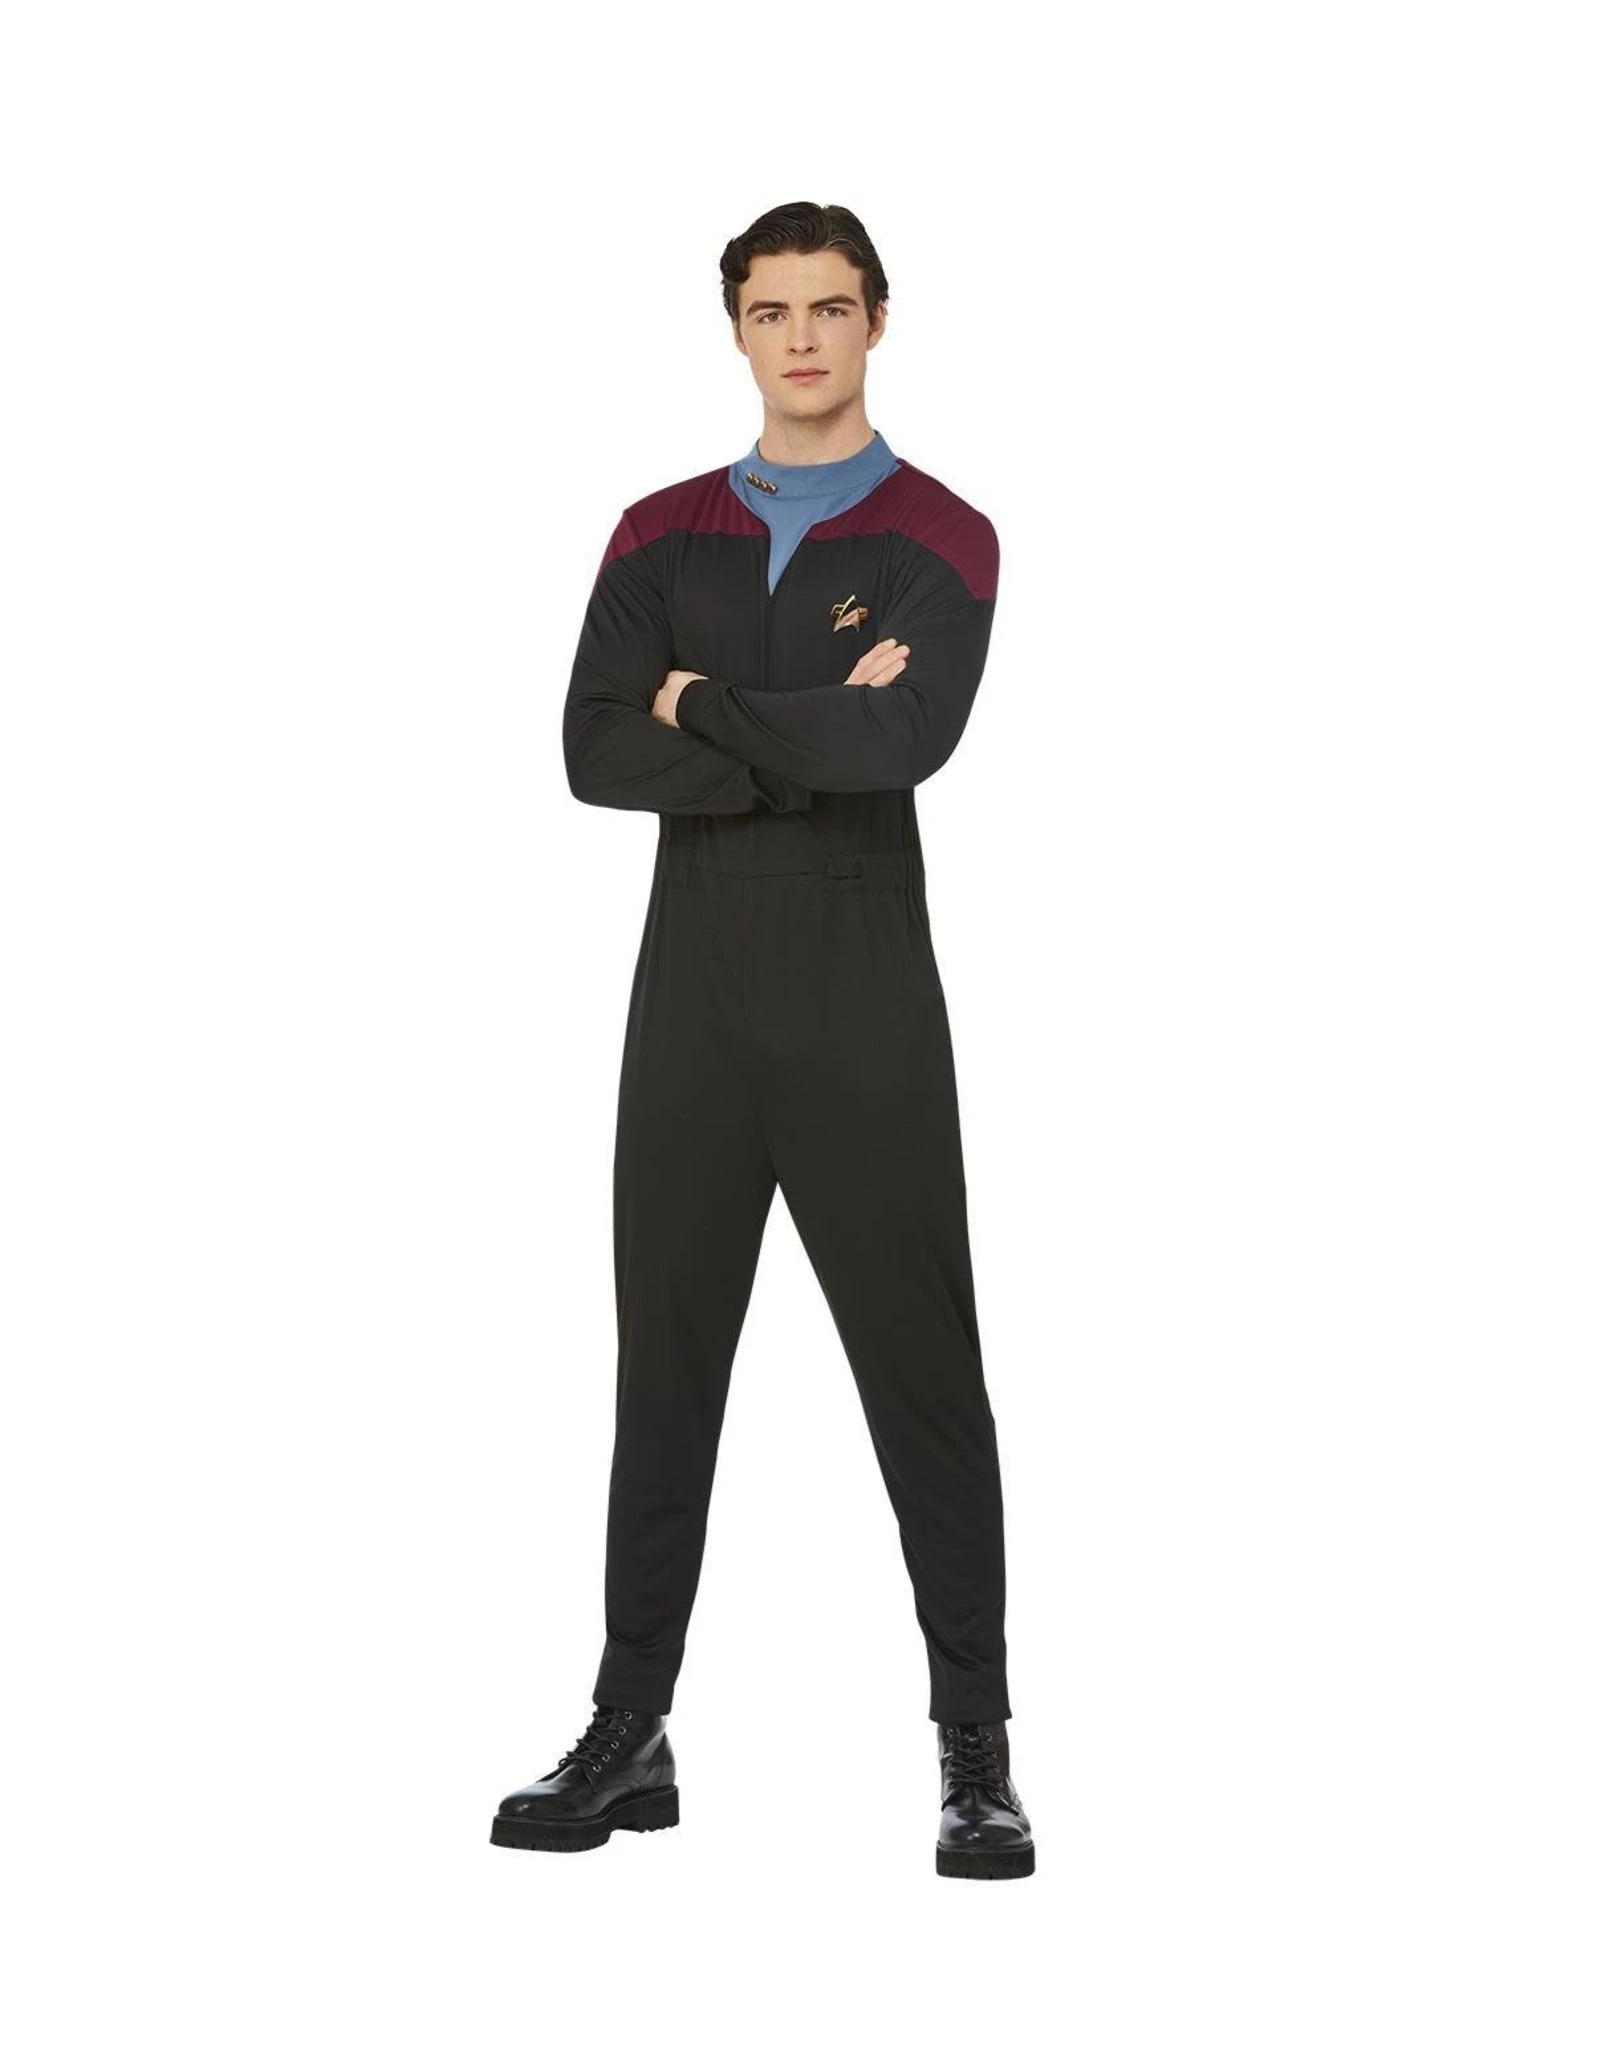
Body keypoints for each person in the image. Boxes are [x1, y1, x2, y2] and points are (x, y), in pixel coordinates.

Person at [491, 201, 1032, 1880]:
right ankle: (628, 1722)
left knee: (923, 1374)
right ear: (735, 329)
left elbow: (905, 743)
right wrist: (807, 731)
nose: (802, 337)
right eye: (772, 310)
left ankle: (976, 1746)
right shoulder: (658, 532)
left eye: (831, 308)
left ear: (879, 322)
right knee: (664, 1368)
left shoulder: (945, 534)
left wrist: (700, 705)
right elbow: (590, 750)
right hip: (695, 1000)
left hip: (863, 1001)